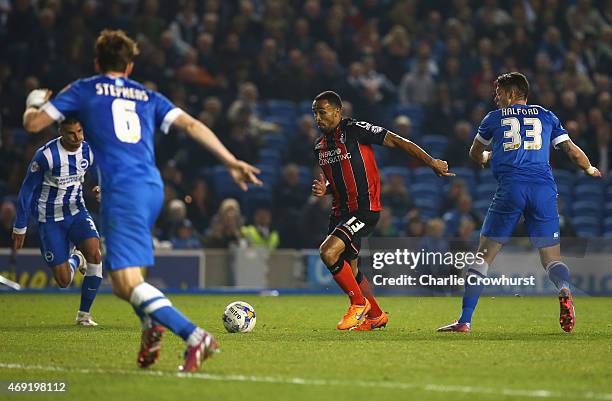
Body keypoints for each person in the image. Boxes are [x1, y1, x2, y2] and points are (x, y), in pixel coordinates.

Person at [21, 30, 261, 372]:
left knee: (125, 283)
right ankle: (151, 326)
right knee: (129, 279)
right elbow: (192, 125)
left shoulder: (84, 88)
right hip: (152, 187)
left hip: (122, 190)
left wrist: (34, 100)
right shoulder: (147, 95)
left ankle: (195, 336)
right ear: (130, 66)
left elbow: (34, 124)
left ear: (97, 62)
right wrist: (230, 160)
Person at [438, 72, 601, 334]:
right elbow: (571, 151)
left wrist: (486, 157)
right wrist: (590, 169)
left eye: (499, 92)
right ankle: (564, 290)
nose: (495, 96)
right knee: (551, 258)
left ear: (512, 94)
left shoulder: (493, 119)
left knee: (483, 256)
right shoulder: (547, 115)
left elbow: (474, 153)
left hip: (511, 187)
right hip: (544, 190)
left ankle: (464, 321)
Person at [311, 90, 453, 331]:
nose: (318, 118)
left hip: (364, 209)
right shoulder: (320, 146)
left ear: (337, 111)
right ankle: (375, 315)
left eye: (322, 112)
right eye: (315, 113)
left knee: (328, 252)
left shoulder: (355, 130)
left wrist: (431, 162)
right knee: (351, 270)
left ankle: (358, 304)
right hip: (340, 212)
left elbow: (398, 140)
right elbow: (337, 179)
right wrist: (325, 189)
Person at [12, 118, 102, 326]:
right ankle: (77, 259)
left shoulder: (87, 150)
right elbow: (27, 190)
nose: (77, 137)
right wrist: (20, 226)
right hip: (49, 220)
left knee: (95, 254)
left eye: (80, 131)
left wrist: (100, 186)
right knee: (63, 281)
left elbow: (102, 169)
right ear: (60, 131)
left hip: (77, 211)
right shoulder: (45, 156)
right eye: (71, 133)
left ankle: (84, 316)